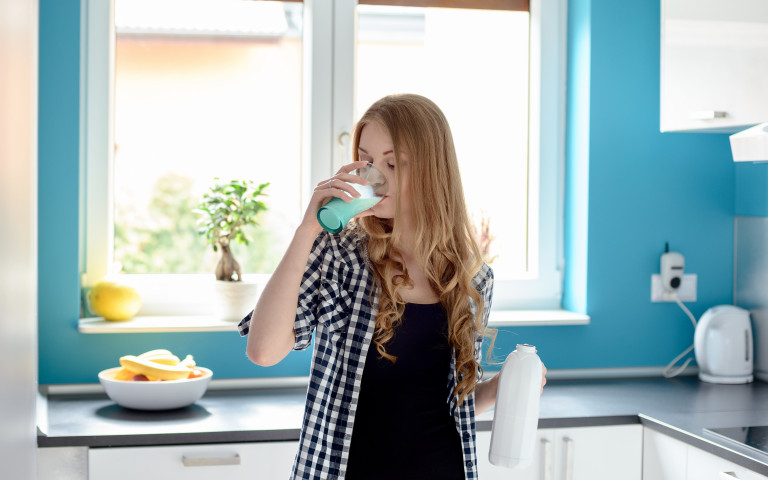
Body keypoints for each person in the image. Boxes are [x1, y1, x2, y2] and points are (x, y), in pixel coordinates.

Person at [238, 93, 547, 479]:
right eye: (367, 161)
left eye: (393, 163)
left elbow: (451, 403)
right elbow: (263, 351)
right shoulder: (341, 256)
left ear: (433, 170)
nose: (374, 176)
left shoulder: (471, 277)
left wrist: (505, 387)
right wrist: (307, 231)